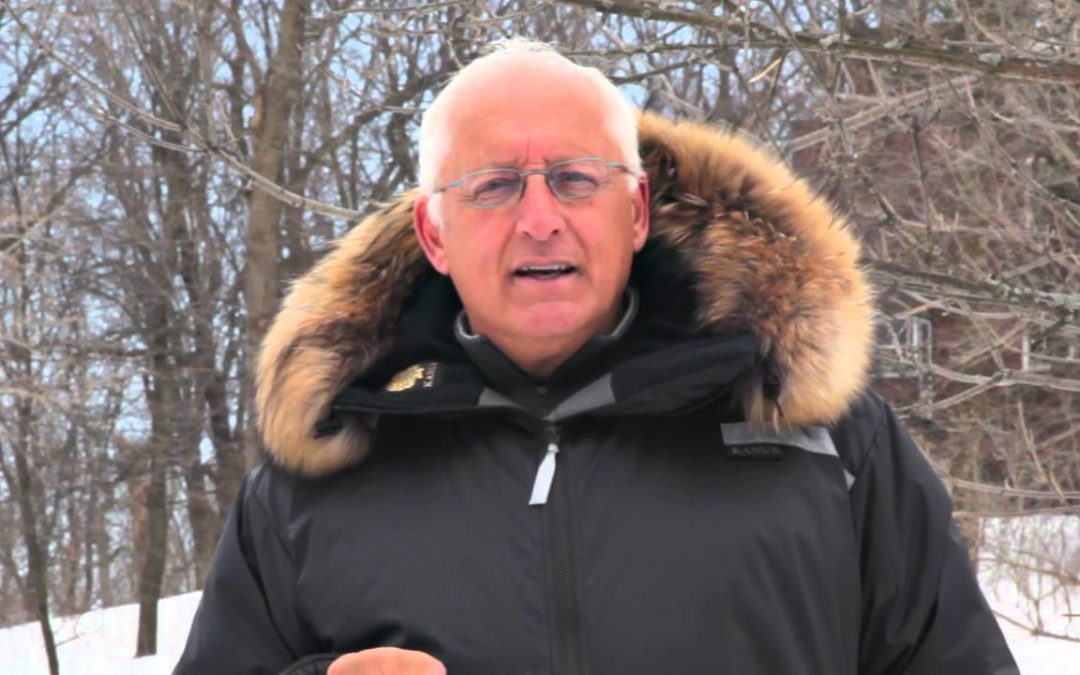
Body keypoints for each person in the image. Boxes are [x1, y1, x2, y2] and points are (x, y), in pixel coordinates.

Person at [175, 40, 1018, 675]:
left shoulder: (824, 437)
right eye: (495, 185)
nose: (540, 218)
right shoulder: (318, 472)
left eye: (576, 180)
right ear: (434, 231)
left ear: (639, 211)